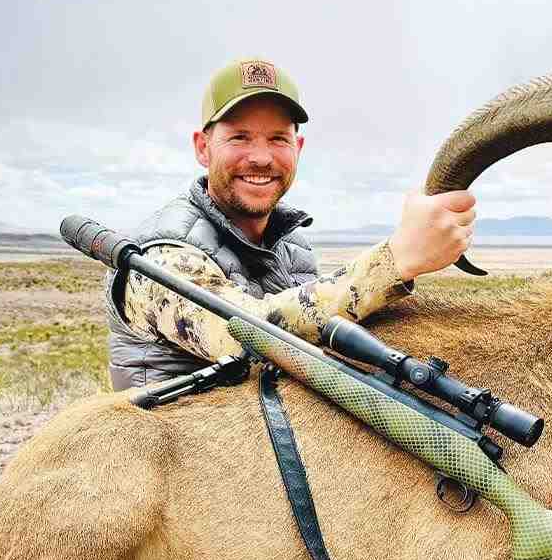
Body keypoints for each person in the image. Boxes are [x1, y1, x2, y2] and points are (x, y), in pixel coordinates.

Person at [104, 58, 475, 390]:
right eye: (239, 137)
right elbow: (241, 337)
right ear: (203, 147)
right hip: (176, 442)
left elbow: (314, 340)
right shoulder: (159, 256)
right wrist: (396, 260)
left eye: (278, 139)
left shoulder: (291, 245)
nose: (261, 157)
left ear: (298, 148)